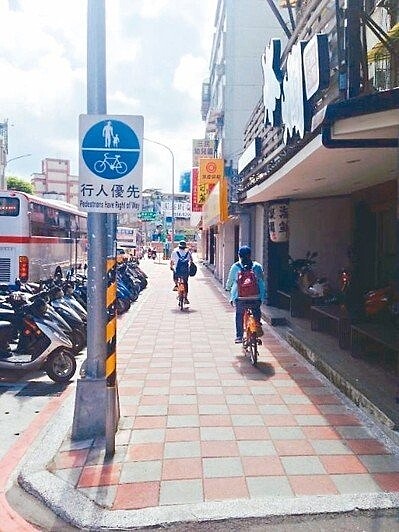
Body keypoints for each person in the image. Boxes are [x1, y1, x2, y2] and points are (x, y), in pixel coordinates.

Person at [226, 245, 266, 343]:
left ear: (239, 255)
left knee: (239, 314)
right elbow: (261, 281)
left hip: (240, 297)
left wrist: (228, 288)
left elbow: (230, 281)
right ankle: (257, 326)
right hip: (255, 297)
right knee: (256, 310)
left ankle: (239, 336)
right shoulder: (257, 266)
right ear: (250, 255)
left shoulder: (235, 267)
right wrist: (262, 296)